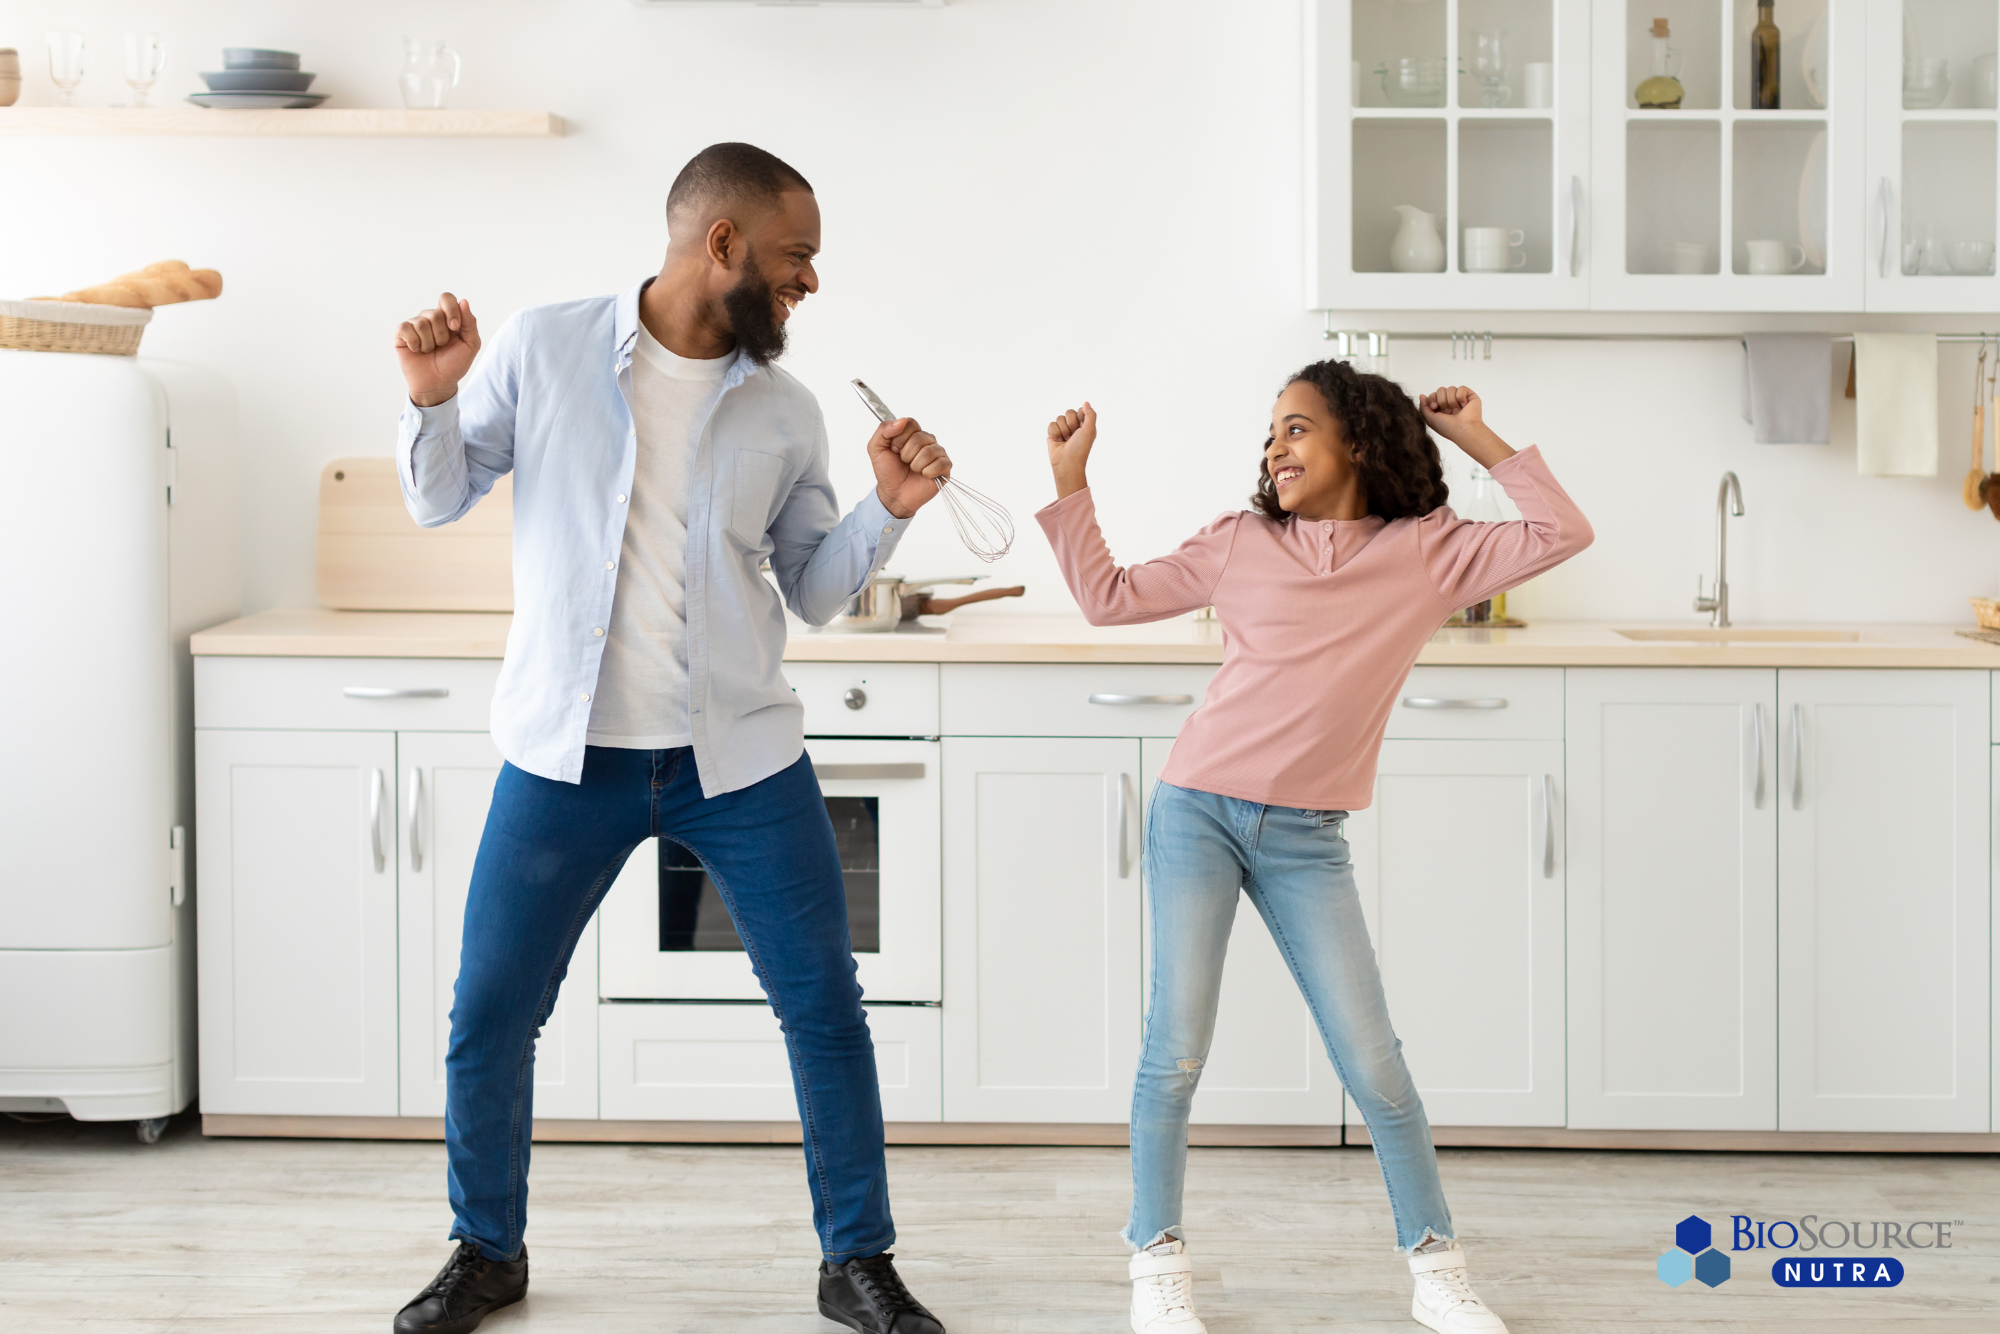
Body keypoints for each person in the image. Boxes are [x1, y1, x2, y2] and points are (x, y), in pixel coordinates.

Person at [386, 143, 950, 1334]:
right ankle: (484, 1246)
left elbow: (813, 586)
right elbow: (437, 498)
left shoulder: (786, 410)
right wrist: (430, 396)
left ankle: (856, 1259)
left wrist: (885, 513)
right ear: (723, 244)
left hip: (737, 759)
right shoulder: (544, 348)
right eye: (796, 257)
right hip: (565, 756)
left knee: (823, 1008)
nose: (808, 283)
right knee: (491, 1008)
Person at [1036, 362, 1593, 1334]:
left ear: (1358, 442)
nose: (1273, 448)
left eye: (1295, 428)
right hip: (1196, 807)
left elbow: (1562, 532)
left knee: (1372, 1058)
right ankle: (1154, 1258)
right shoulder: (1240, 541)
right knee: (1174, 1047)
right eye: (1269, 435)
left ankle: (1435, 1264)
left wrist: (1478, 437)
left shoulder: (1429, 551)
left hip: (1305, 836)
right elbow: (1109, 598)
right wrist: (1069, 480)